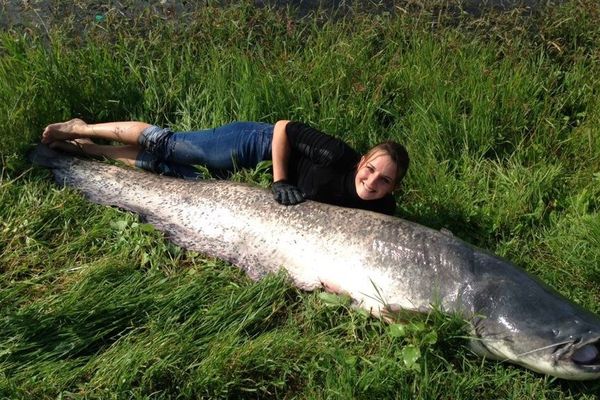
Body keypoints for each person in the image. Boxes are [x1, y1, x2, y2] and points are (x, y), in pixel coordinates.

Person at [42, 119, 409, 215]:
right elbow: (283, 128)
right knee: (170, 145)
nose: (372, 181)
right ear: (361, 161)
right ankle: (80, 128)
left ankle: (87, 149)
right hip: (256, 145)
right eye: (371, 169)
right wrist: (280, 179)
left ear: (393, 188)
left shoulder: (383, 207)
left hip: (256, 182)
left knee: (166, 171)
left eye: (385, 180)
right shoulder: (337, 156)